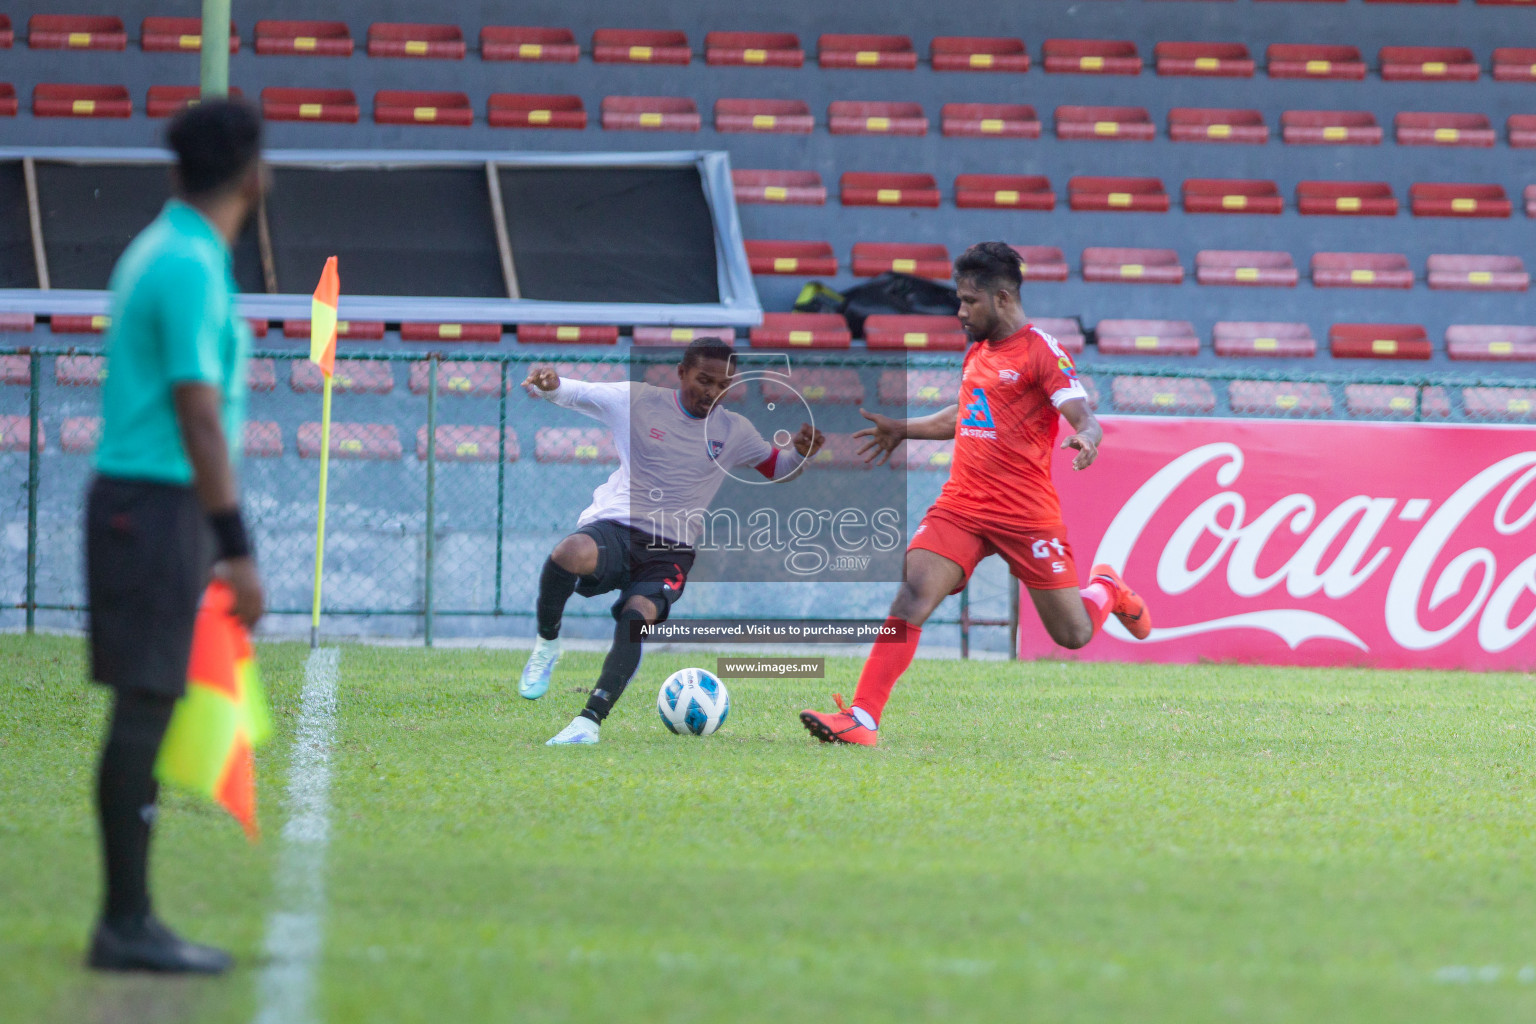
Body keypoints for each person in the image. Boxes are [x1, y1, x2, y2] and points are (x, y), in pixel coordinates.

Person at [799, 241, 1152, 747]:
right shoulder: (977, 354)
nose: (960, 312)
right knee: (913, 593)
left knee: (1071, 635)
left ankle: (1106, 589)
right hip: (962, 506)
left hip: (1026, 516)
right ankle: (863, 718)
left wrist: (1087, 439)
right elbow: (963, 416)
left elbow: (1084, 416)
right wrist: (903, 428)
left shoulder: (1041, 351)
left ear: (1003, 299)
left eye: (969, 301)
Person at [84, 99, 267, 972]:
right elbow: (198, 413)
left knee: (147, 704)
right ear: (254, 176)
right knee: (145, 706)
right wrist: (238, 546)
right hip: (156, 503)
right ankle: (125, 922)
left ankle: (129, 916)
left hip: (154, 503)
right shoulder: (190, 262)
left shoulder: (168, 247)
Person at [520, 338, 824, 745]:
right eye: (704, 380)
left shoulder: (734, 430)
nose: (713, 393)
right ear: (681, 373)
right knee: (567, 554)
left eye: (723, 385)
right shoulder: (638, 401)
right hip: (619, 525)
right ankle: (547, 644)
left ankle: (587, 723)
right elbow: (573, 392)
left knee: (636, 619)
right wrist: (548, 384)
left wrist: (800, 455)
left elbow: (777, 468)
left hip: (671, 549)